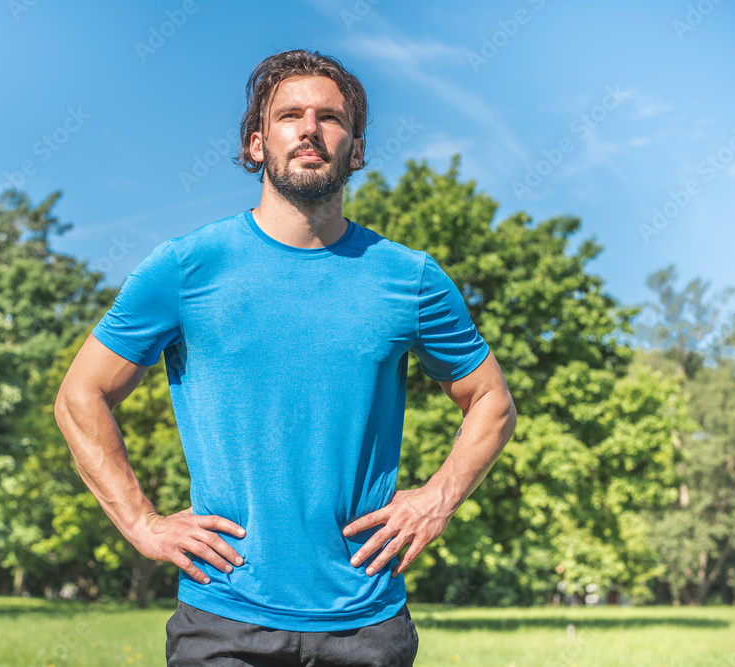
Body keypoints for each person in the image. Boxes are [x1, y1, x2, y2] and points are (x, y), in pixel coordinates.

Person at [54, 49, 517, 666]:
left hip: (367, 623)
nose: (309, 128)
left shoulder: (409, 279)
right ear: (255, 144)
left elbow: (492, 401)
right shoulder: (186, 267)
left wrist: (437, 498)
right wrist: (142, 523)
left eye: (330, 117)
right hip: (223, 619)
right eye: (289, 115)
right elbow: (79, 396)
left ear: (355, 150)